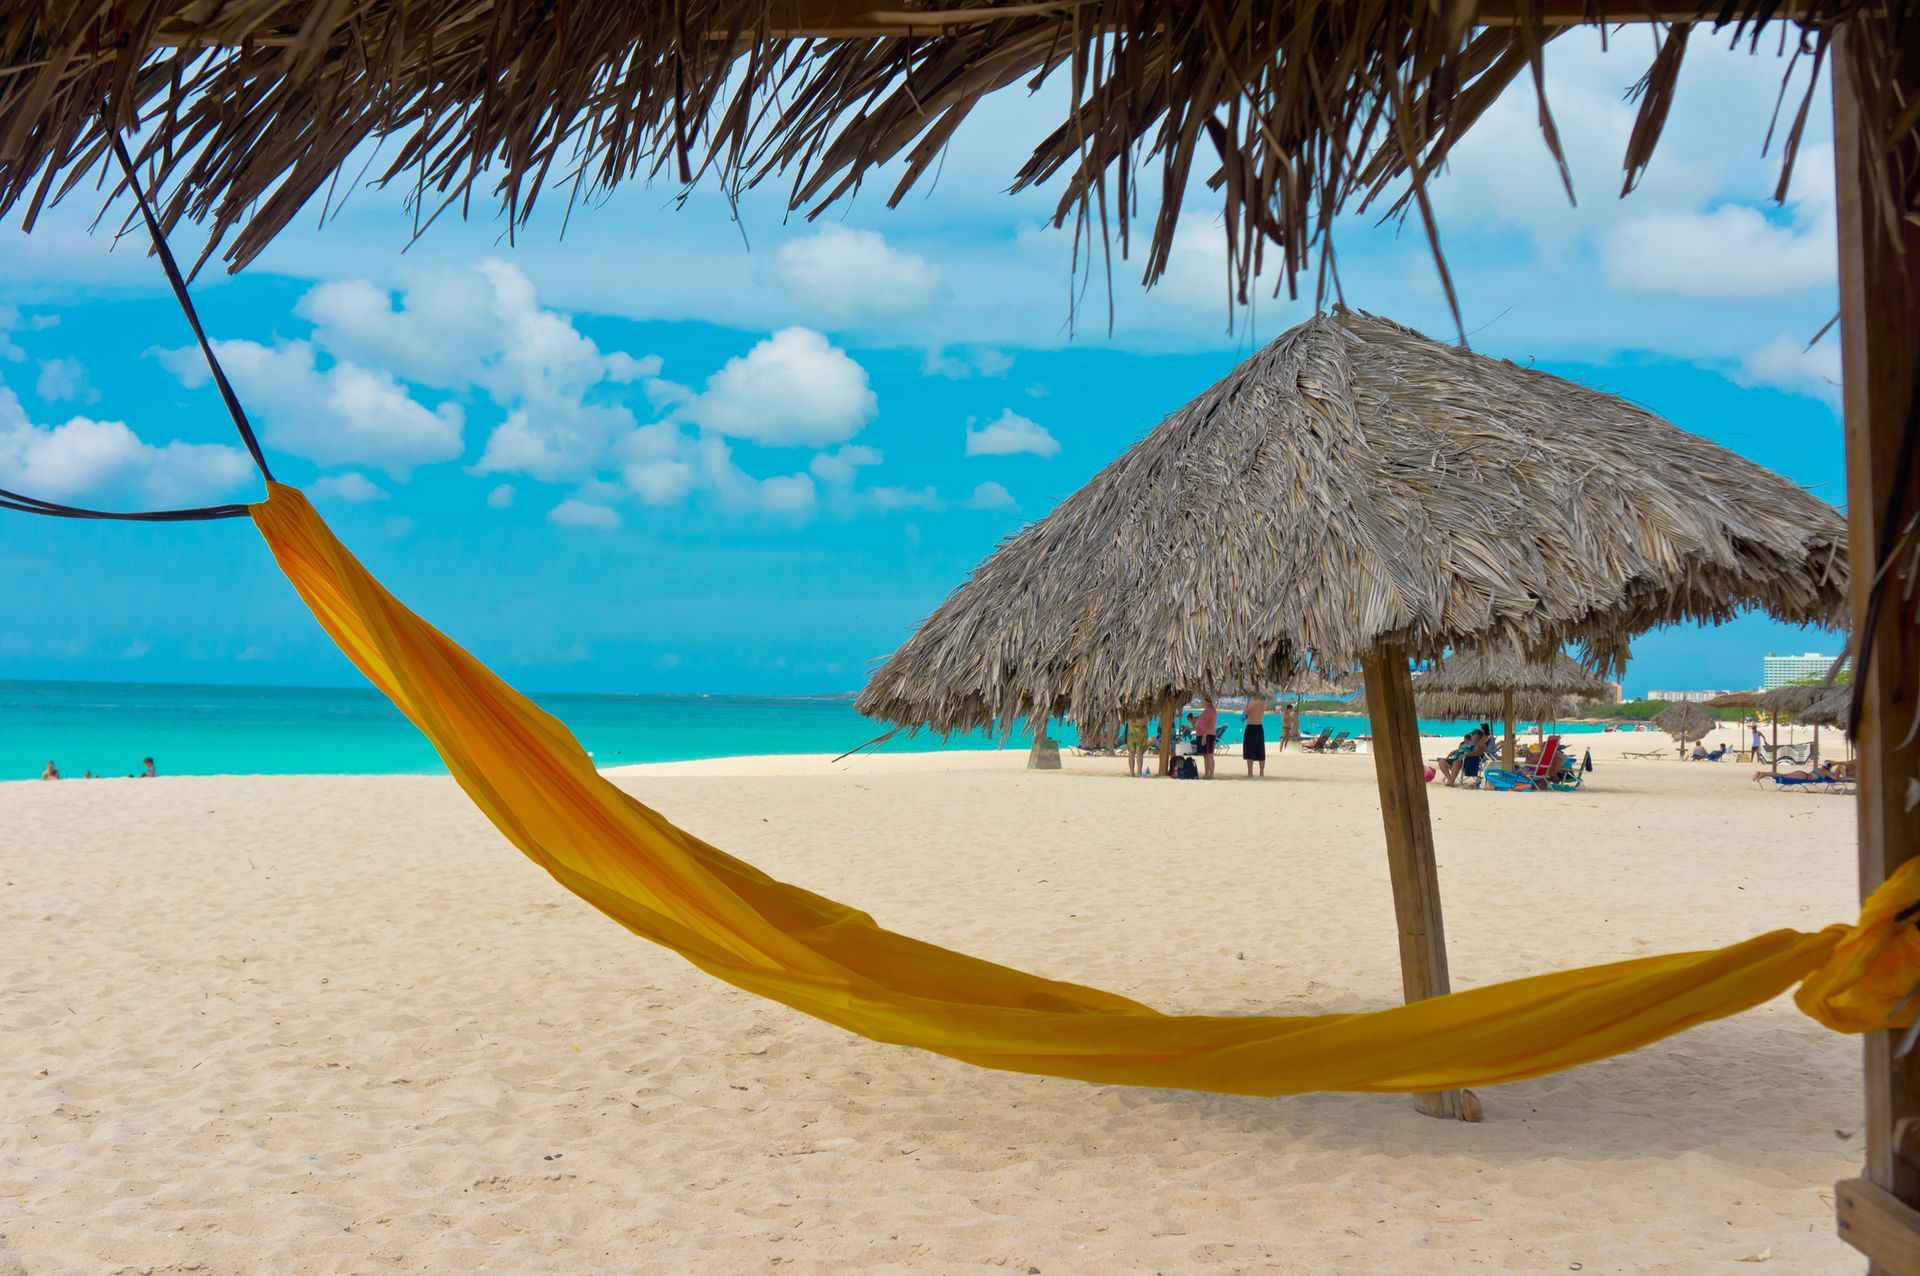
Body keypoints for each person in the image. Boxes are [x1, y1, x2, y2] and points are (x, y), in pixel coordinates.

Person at [1242, 693, 1269, 777]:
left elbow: (1248, 713)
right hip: (1259, 726)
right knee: (1260, 750)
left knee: (1250, 749)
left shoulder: (1253, 701)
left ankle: (1250, 773)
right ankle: (1261, 772)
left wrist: (1245, 707)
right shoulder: (1263, 702)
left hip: (1251, 726)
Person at [1195, 697, 1219, 780]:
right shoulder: (1208, 709)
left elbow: (1210, 724)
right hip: (1204, 734)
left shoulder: (1210, 710)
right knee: (1205, 755)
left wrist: (1204, 735)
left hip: (1208, 734)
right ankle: (1206, 773)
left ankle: (1211, 775)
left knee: (1209, 755)